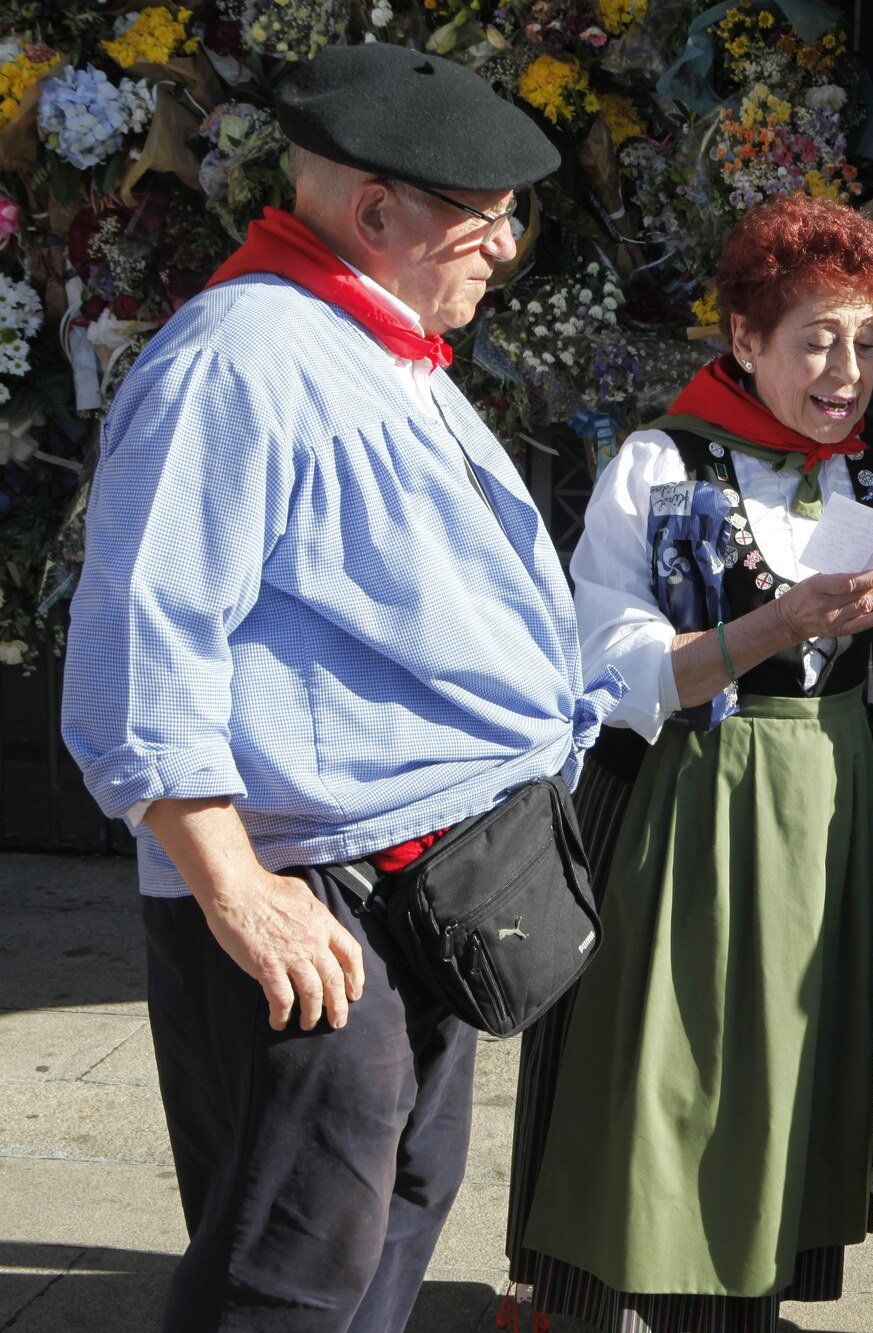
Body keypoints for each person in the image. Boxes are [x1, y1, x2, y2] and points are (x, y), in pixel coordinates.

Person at [59, 42, 620, 1332]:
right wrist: (239, 892)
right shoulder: (243, 356)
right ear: (374, 212)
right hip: (311, 899)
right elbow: (142, 635)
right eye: (486, 223)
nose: (504, 250)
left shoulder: (372, 340)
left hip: (411, 887)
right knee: (288, 1273)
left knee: (386, 1234)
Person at [506, 194, 873, 1333]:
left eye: (866, 340)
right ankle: (624, 1298)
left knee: (785, 1056)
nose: (846, 371)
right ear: (745, 340)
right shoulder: (661, 461)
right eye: (816, 340)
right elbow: (609, 658)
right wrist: (772, 628)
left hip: (822, 803)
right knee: (666, 1058)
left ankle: (742, 1299)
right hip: (690, 797)